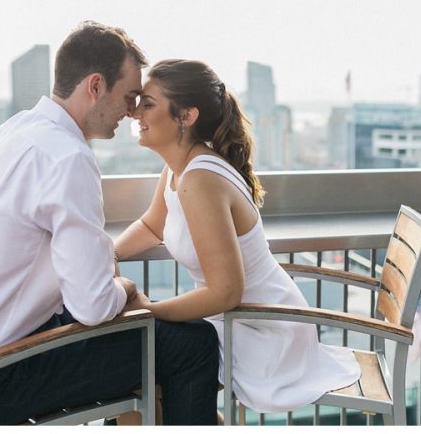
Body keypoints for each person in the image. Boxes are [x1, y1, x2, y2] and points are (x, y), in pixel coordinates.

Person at [0, 22, 220, 425]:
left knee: (135, 340)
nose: (132, 110)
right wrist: (127, 287)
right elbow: (93, 305)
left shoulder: (14, 131)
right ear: (95, 86)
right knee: (195, 345)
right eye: (129, 96)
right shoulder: (68, 158)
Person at [114, 59, 361, 413]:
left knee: (134, 372)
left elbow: (225, 291)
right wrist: (109, 254)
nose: (135, 113)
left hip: (262, 330)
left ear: (186, 116)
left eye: (148, 104)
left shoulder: (200, 180)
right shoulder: (178, 168)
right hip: (233, 317)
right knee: (141, 380)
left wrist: (151, 310)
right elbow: (153, 225)